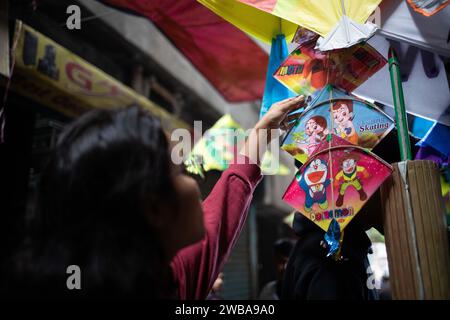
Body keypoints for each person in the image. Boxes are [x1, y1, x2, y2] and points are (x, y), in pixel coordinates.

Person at [1, 95, 305, 299]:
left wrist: (264, 129)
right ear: (154, 208)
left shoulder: (171, 276)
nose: (194, 185)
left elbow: (226, 201)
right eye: (177, 171)